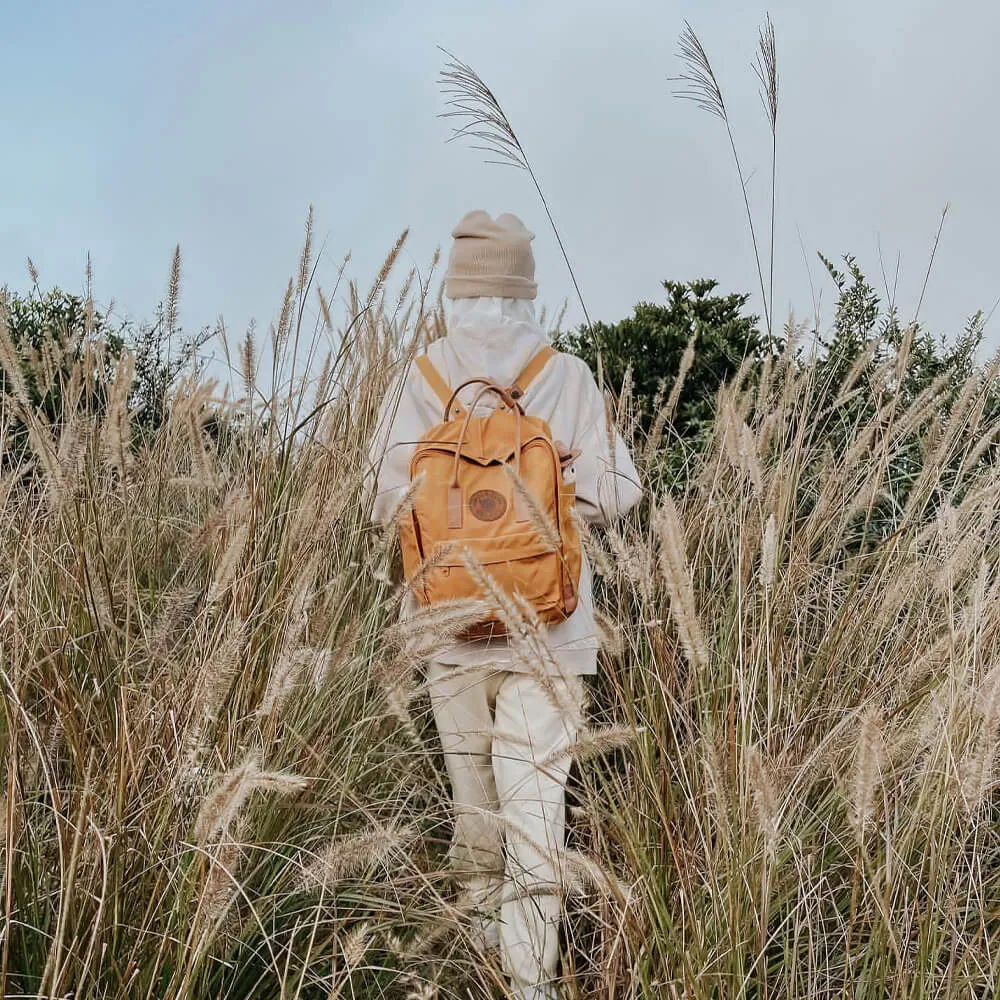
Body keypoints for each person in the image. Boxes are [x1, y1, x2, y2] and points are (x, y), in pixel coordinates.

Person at [368, 209, 642, 1000]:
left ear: (455, 292)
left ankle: (473, 965)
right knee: (537, 817)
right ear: (528, 292)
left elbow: (378, 498)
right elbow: (622, 488)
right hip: (550, 631)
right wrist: (548, 491)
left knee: (475, 819)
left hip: (446, 631)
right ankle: (530, 986)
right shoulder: (569, 375)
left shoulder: (419, 376)